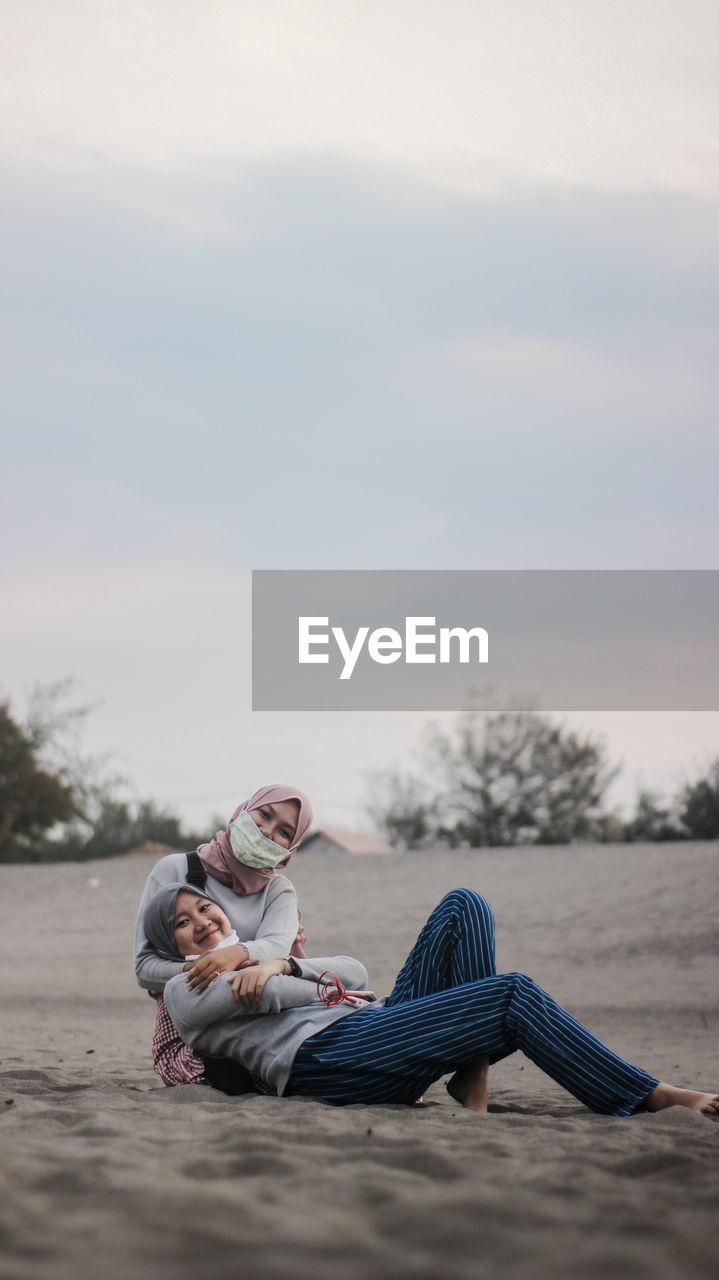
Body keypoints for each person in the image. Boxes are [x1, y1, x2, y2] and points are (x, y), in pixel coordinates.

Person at [152, 885, 719, 1118]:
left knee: (462, 905)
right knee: (511, 994)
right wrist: (272, 973)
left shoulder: (259, 956)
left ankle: (469, 1073)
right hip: (324, 1060)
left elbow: (355, 971)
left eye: (204, 908)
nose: (201, 922)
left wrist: (280, 960)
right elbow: (277, 996)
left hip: (370, 1026)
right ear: (168, 943)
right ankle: (648, 1094)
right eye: (182, 923)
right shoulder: (183, 992)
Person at [133, 784, 313, 1090]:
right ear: (243, 810)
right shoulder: (176, 869)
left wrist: (235, 955)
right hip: (195, 1024)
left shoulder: (278, 891)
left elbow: (276, 947)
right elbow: (145, 967)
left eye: (284, 832)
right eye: (264, 815)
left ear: (290, 849)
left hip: (264, 1016)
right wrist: (204, 970)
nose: (267, 832)